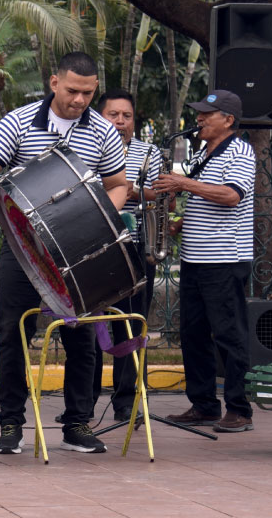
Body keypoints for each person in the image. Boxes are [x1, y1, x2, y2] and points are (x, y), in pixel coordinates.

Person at [0, 51, 129, 456]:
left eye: (88, 93)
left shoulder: (103, 131)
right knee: (13, 335)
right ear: (54, 82)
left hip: (81, 250)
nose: (80, 100)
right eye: (73, 90)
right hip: (23, 249)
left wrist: (98, 220)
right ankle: (10, 426)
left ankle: (77, 423)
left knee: (82, 339)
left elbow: (118, 184)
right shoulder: (19, 122)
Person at [155, 89, 256, 433]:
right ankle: (204, 405)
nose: (198, 118)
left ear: (228, 120)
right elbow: (204, 199)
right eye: (198, 113)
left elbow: (231, 196)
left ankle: (240, 409)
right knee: (193, 334)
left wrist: (184, 182)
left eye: (206, 114)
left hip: (224, 259)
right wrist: (178, 221)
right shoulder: (204, 152)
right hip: (195, 258)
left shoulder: (240, 152)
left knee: (229, 333)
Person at [92, 88, 161, 424]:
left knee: (131, 328)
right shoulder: (87, 146)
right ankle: (83, 404)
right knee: (88, 329)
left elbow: (157, 194)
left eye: (126, 116)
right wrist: (127, 187)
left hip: (134, 249)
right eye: (113, 115)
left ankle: (127, 403)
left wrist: (126, 187)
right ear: (100, 118)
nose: (120, 122)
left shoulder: (149, 153)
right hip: (91, 251)